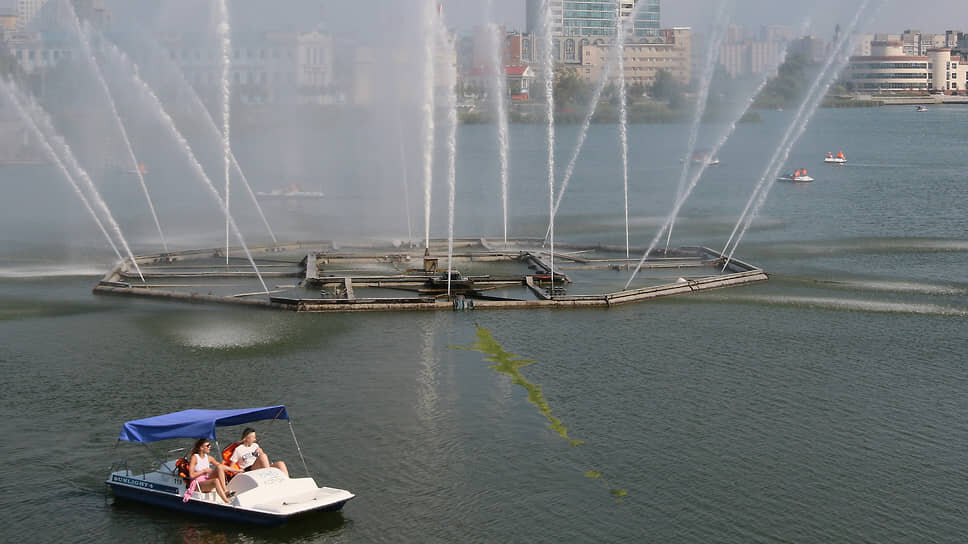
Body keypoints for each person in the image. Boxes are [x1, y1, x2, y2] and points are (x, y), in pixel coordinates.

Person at [187, 438, 240, 503]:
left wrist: (238, 470)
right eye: (207, 445)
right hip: (198, 484)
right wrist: (204, 471)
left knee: (219, 467)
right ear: (201, 448)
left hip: (207, 480)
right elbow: (191, 475)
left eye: (209, 445)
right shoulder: (195, 457)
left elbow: (222, 467)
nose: (210, 447)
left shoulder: (209, 458)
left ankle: (225, 491)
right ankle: (226, 501)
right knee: (216, 481)